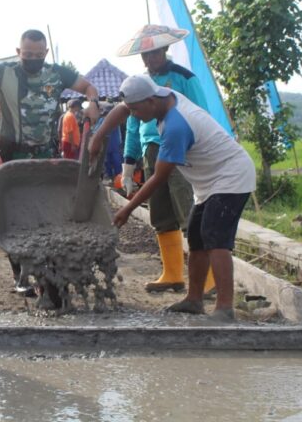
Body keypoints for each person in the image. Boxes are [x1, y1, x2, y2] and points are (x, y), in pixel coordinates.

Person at [89, 74, 256, 321]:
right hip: (208, 181)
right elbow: (123, 109)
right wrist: (98, 135)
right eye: (131, 109)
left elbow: (158, 178)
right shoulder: (161, 97)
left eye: (136, 109)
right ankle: (194, 300)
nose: (133, 115)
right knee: (197, 239)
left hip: (230, 176)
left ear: (151, 101)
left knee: (215, 239)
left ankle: (224, 308)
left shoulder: (176, 125)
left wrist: (127, 209)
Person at [0, 29, 100, 305]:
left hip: (47, 154)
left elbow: (88, 87)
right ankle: (20, 273)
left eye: (38, 55)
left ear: (46, 53)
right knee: (13, 215)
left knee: (47, 213)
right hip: (11, 154)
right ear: (18, 52)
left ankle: (52, 272)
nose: (33, 59)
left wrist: (93, 102)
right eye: (27, 55)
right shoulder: (5, 72)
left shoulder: (57, 74)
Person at [117, 24, 215, 295]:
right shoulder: (139, 84)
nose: (150, 60)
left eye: (155, 54)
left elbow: (202, 115)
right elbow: (133, 126)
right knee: (161, 214)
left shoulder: (184, 78)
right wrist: (128, 165)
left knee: (189, 212)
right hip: (152, 150)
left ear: (165, 50)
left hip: (181, 150)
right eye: (145, 56)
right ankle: (172, 273)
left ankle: (208, 278)